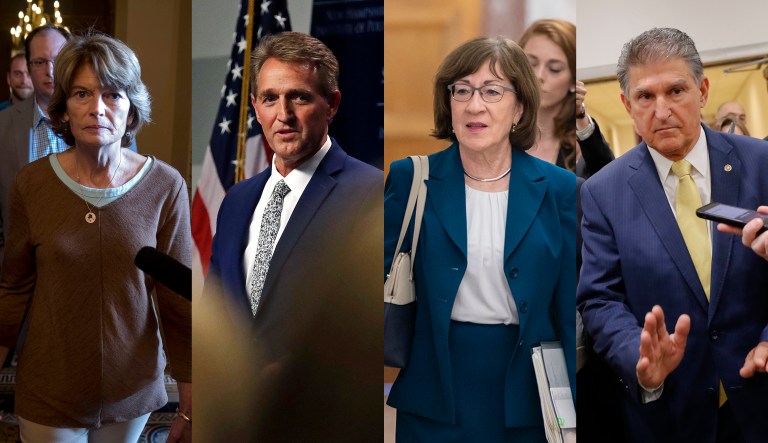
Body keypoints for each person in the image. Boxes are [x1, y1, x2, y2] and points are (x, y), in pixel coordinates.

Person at [577, 27, 768, 443]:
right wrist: (638, 355)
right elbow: (600, 297)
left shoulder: (761, 163)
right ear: (628, 105)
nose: (661, 110)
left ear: (702, 91)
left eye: (676, 91)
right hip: (670, 414)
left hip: (760, 399)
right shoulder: (603, 191)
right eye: (645, 96)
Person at [0, 33, 191, 442]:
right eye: (82, 94)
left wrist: (191, 392)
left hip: (131, 387)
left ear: (131, 107)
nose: (97, 109)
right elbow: (14, 287)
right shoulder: (31, 184)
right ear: (64, 107)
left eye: (112, 95)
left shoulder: (165, 185)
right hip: (49, 386)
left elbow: (177, 298)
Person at [385, 36, 576, 442]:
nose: (475, 105)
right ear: (448, 102)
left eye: (492, 91)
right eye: (462, 90)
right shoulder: (411, 179)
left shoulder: (560, 189)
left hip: (527, 391)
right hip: (434, 389)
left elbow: (567, 305)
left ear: (519, 107)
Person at [204, 32, 382, 441]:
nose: (282, 114)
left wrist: (291, 374)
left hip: (322, 423)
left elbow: (376, 326)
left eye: (299, 97)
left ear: (332, 105)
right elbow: (219, 307)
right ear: (254, 107)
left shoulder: (372, 194)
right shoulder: (237, 200)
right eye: (269, 99)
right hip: (237, 421)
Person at [0, 25, 70, 269]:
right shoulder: (3, 124)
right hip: (21, 272)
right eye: (40, 62)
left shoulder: (101, 121)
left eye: (58, 59)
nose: (50, 70)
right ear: (29, 68)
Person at [519, 19, 613, 178]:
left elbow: (609, 180)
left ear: (572, 81)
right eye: (530, 63)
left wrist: (580, 115)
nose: (538, 76)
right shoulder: (498, 132)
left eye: (554, 69)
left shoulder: (580, 149)